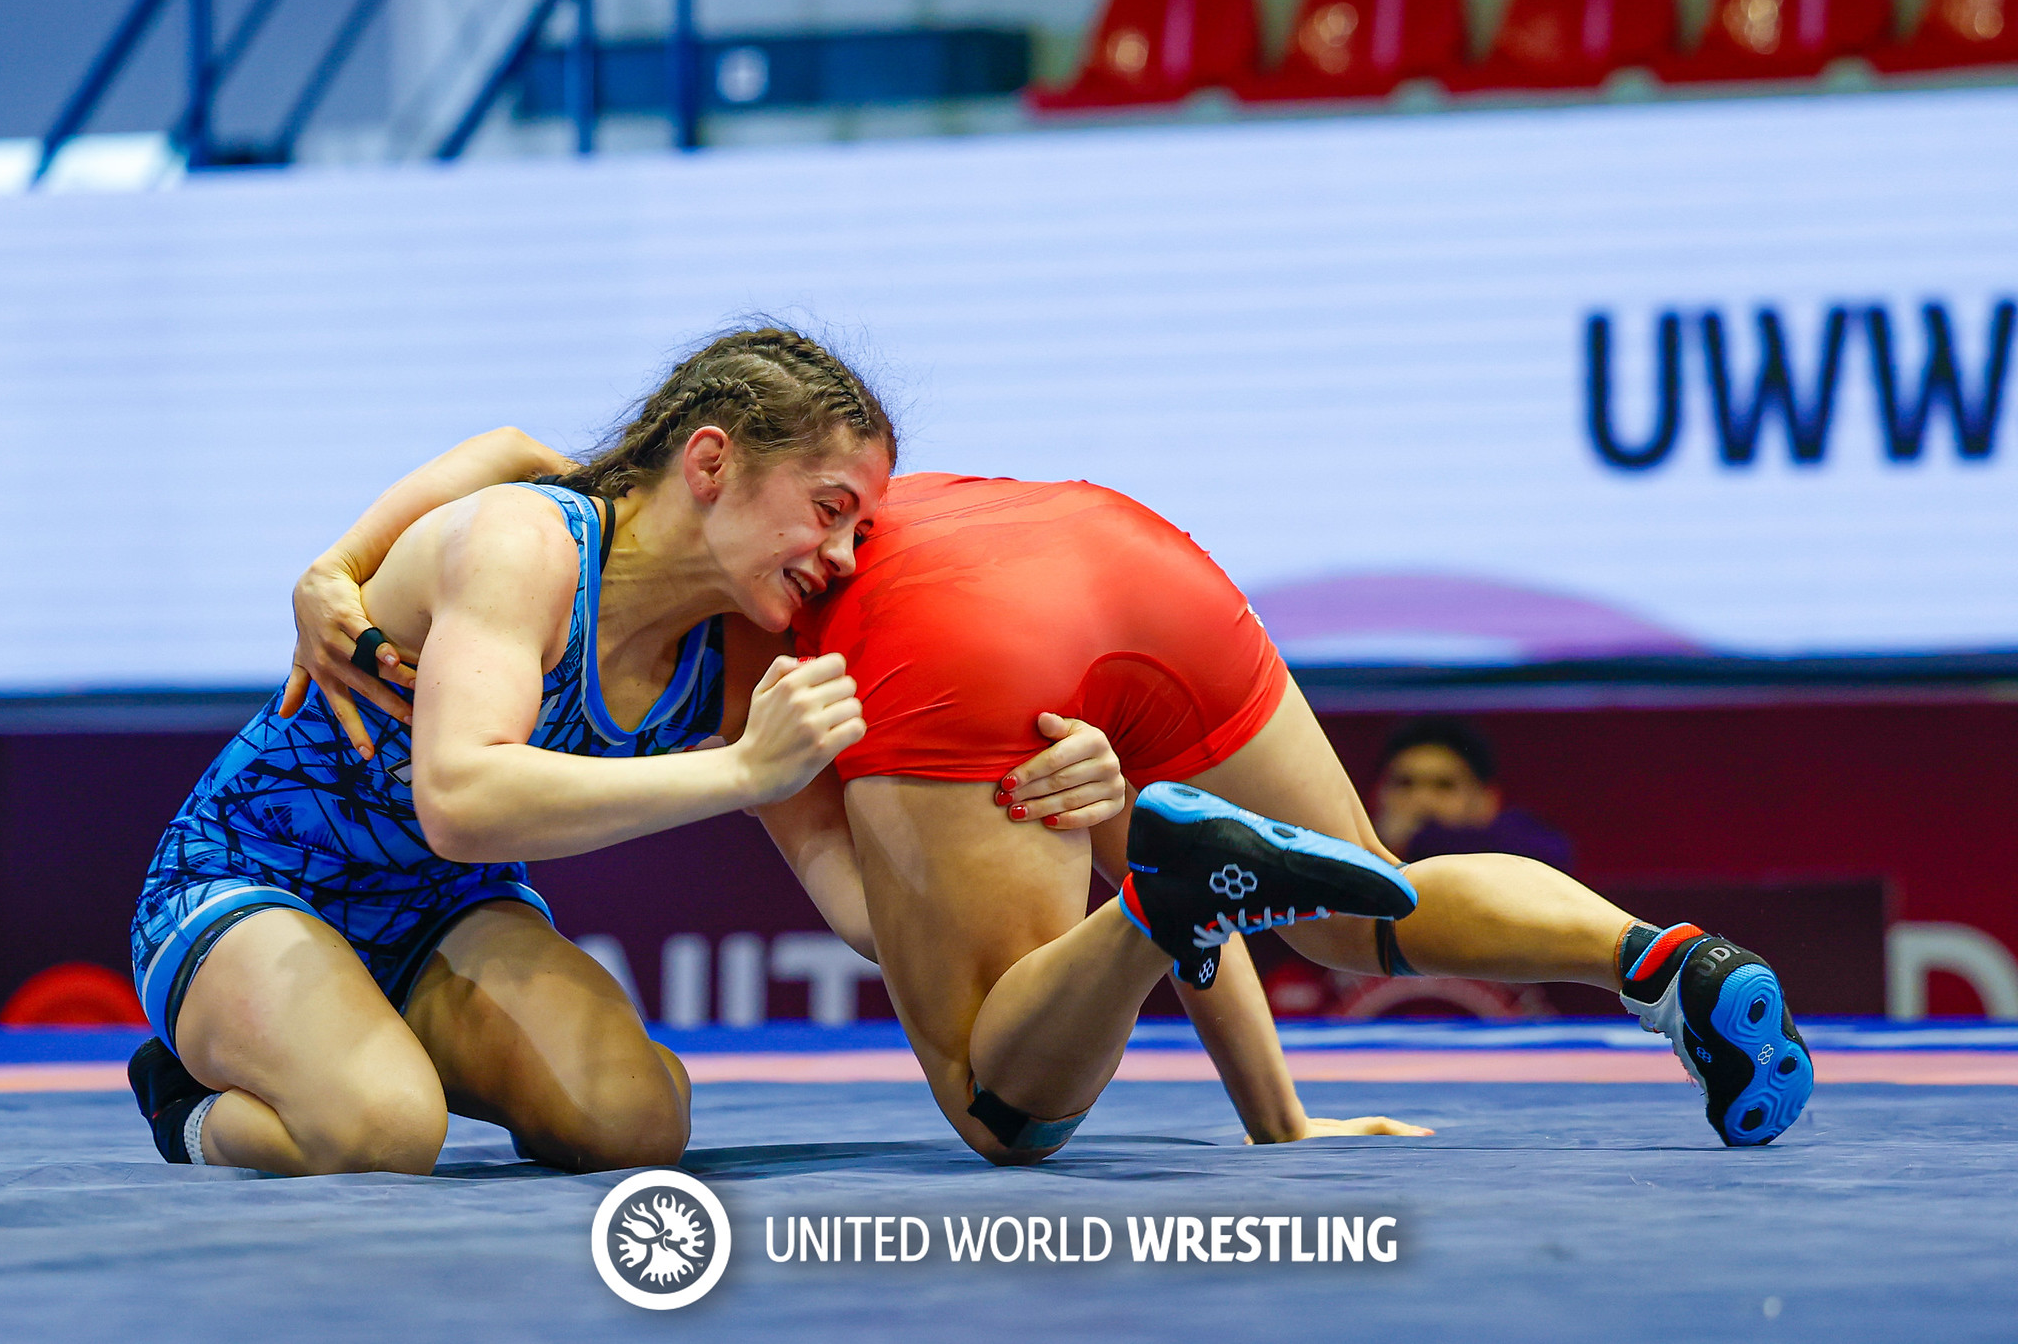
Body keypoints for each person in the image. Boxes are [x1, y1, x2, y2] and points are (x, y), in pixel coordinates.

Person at [304, 467, 1813, 1162]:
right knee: (1362, 902)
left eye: (837, 514)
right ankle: (1668, 963)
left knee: (1001, 1102)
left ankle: (1151, 905)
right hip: (1128, 547)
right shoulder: (721, 523)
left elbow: (859, 907)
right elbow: (512, 456)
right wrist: (1273, 1120)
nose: (817, 554)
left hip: (966, 634)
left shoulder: (717, 612)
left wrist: (340, 566)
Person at [126, 329, 1114, 1178]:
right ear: (712, 462)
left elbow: (868, 914)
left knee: (634, 1125)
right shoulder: (525, 544)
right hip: (249, 882)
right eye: (828, 508)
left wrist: (1046, 811)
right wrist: (738, 772)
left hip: (441, 911)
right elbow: (461, 800)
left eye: (859, 527)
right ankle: (189, 1101)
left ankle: (371, 1041)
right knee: (381, 1129)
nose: (846, 556)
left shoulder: (731, 663)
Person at [1374, 716, 1574, 871]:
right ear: (1380, 794)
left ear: (1486, 800)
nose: (1422, 801)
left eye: (1444, 786)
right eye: (1404, 784)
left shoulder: (1526, 848)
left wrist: (1415, 841)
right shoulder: (1348, 858)